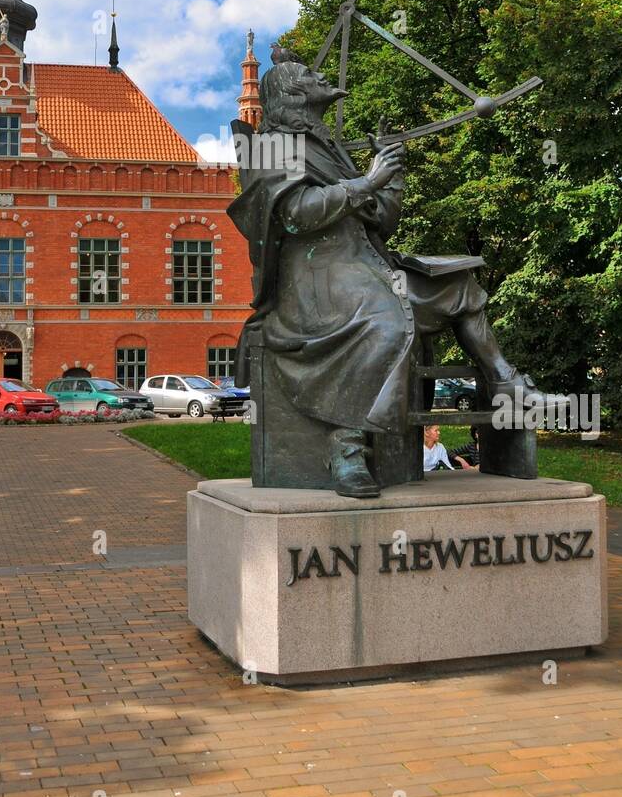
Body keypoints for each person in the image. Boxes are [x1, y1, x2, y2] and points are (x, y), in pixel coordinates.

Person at [229, 52, 550, 498]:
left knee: (459, 287)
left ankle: (505, 384)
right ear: (294, 93)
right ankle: (346, 447)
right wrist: (367, 181)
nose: (321, 75)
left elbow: (380, 220)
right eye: (309, 75)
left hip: (365, 267)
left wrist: (389, 172)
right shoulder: (269, 146)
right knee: (384, 322)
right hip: (316, 282)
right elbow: (295, 215)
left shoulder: (329, 148)